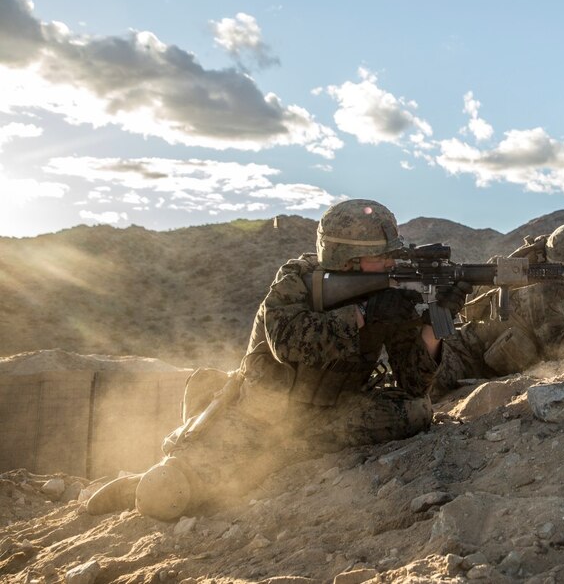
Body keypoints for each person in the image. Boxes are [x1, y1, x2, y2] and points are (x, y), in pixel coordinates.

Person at [86, 199, 467, 521]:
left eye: (392, 255)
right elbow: (289, 342)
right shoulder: (296, 283)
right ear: (348, 261)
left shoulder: (392, 292)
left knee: (417, 411)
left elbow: (414, 383)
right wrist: (361, 316)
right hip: (263, 416)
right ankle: (148, 475)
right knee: (164, 495)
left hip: (332, 413)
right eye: (381, 257)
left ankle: (292, 450)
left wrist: (434, 322)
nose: (390, 263)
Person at [433, 222, 564, 399]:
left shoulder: (563, 289)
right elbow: (562, 347)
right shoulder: (539, 291)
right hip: (449, 363)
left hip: (468, 363)